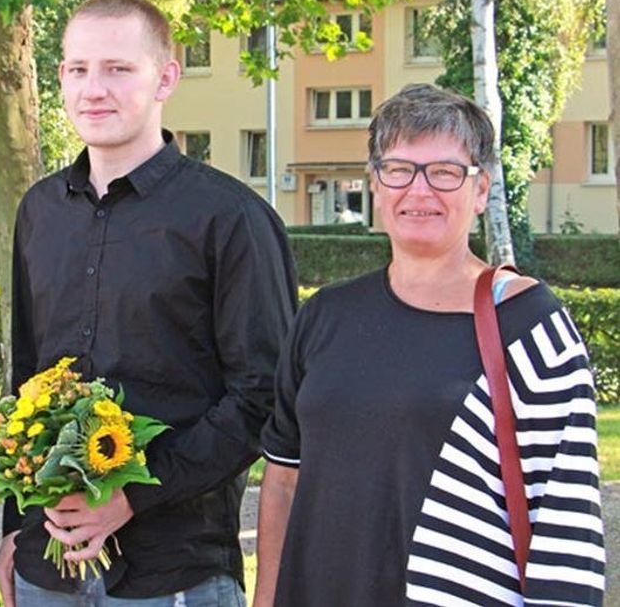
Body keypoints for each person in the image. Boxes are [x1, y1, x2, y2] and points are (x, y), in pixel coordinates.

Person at [0, 0, 297, 606]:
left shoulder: (230, 218)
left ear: (166, 78)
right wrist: (12, 528)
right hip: (46, 568)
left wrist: (131, 495)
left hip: (174, 570)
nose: (94, 89)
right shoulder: (40, 211)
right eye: (78, 69)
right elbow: (25, 378)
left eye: (118, 69)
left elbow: (262, 397)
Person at [255, 84, 604, 606]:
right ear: (375, 183)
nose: (419, 191)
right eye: (398, 169)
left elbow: (565, 518)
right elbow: (283, 482)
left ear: (481, 189)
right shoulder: (325, 316)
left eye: (444, 172)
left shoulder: (529, 325)